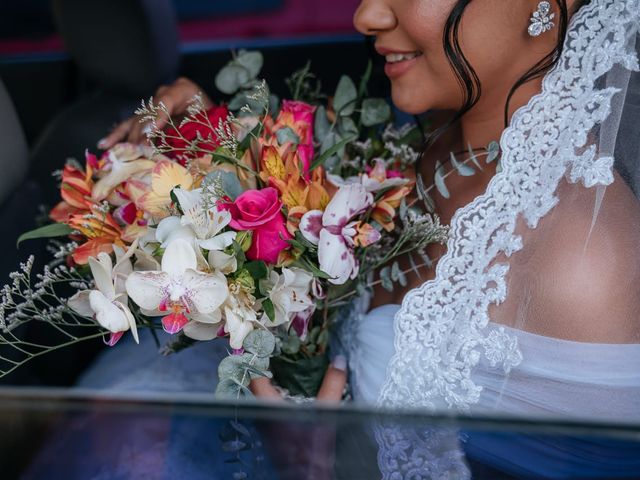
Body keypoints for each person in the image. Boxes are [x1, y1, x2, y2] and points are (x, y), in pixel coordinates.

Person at [87, 0, 640, 477]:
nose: (366, 15)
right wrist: (220, 149)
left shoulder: (583, 264)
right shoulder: (430, 143)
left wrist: (316, 466)